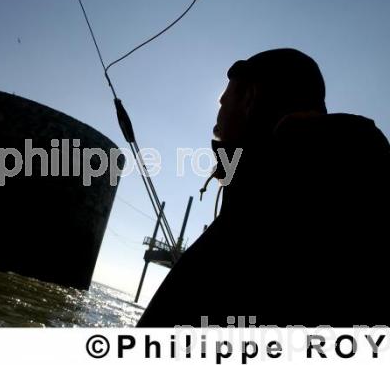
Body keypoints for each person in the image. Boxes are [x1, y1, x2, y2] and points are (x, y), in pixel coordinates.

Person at [137, 48, 390, 327]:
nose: (219, 106)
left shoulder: (262, 219)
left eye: (226, 98)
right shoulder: (338, 200)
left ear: (249, 99)